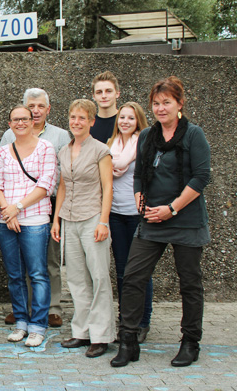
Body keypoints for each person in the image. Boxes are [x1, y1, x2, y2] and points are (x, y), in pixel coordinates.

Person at [111, 77, 211, 368]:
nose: (160, 108)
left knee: (190, 284)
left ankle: (190, 342)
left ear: (180, 104)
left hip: (186, 219)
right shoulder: (147, 137)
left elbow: (201, 177)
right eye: (156, 103)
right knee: (132, 277)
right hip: (152, 219)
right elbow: (140, 173)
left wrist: (172, 208)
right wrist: (140, 197)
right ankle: (128, 341)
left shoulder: (194, 135)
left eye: (167, 102)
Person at [0, 88, 70, 328]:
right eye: (31, 106)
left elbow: (57, 178)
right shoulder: (8, 137)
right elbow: (0, 174)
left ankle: (52, 309)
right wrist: (10, 209)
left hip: (45, 206)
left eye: (40, 106)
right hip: (11, 211)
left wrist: (19, 206)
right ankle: (25, 310)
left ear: (48, 109)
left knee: (47, 263)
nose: (36, 110)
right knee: (20, 265)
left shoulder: (59, 136)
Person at [51, 99, 115, 358]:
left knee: (99, 277)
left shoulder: (101, 150)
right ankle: (82, 331)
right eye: (73, 117)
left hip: (92, 217)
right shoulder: (64, 151)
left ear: (91, 121)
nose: (76, 122)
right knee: (76, 279)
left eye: (81, 118)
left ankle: (101, 335)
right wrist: (56, 219)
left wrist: (103, 221)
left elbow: (108, 187)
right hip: (69, 218)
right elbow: (63, 186)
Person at [0, 105, 57, 348]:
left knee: (38, 274)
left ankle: (38, 326)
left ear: (33, 122)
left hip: (35, 219)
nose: (20, 123)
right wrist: (7, 212)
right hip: (6, 220)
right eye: (15, 120)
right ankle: (21, 322)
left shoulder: (46, 148)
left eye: (24, 119)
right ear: (9, 124)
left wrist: (17, 207)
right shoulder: (2, 151)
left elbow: (46, 185)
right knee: (15, 275)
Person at [107, 102, 153, 343]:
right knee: (123, 270)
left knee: (140, 272)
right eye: (122, 117)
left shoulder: (144, 143)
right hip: (115, 214)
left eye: (131, 118)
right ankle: (126, 319)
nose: (125, 121)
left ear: (138, 122)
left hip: (136, 214)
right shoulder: (110, 144)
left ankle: (143, 321)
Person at [89, 71, 121, 143]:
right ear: (94, 96)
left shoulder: (127, 122)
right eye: (99, 92)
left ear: (117, 93)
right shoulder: (88, 125)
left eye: (108, 91)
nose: (104, 96)